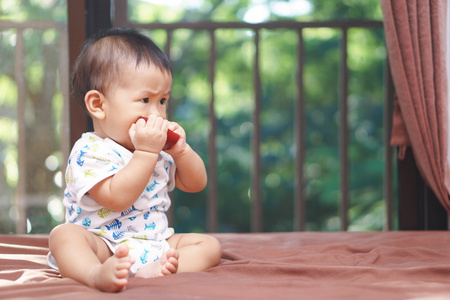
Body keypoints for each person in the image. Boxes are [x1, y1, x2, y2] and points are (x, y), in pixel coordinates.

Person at [47, 28, 222, 293]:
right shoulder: (90, 150)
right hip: (103, 245)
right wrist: (147, 154)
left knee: (209, 247)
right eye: (145, 100)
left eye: (162, 100)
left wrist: (181, 152)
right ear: (98, 105)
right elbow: (117, 198)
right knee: (63, 237)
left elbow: (196, 184)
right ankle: (95, 274)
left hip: (155, 241)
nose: (157, 113)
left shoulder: (156, 147)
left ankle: (156, 270)